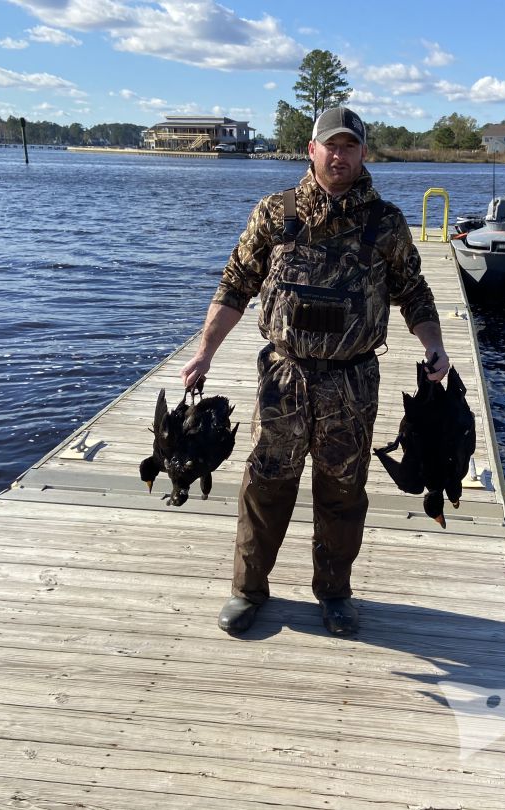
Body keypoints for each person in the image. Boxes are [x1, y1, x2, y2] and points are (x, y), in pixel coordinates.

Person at [180, 106, 450, 637]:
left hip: (352, 382)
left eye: (350, 145)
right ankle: (248, 589)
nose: (339, 154)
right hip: (285, 378)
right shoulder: (275, 213)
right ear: (311, 149)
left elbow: (414, 291)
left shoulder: (386, 223)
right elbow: (236, 283)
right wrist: (206, 352)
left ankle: (334, 592)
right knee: (266, 482)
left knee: (343, 490)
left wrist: (434, 344)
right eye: (330, 144)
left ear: (363, 153)